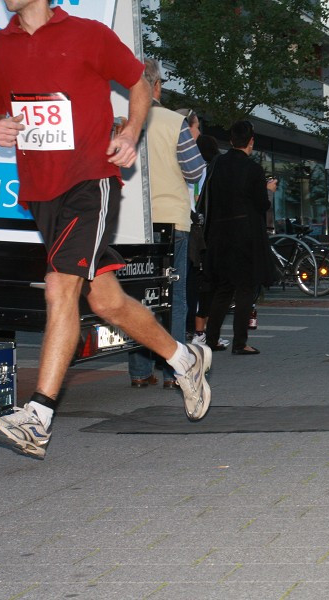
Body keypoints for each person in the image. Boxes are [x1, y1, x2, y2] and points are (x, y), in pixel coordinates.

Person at [0, 0, 212, 458]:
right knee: (105, 299)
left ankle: (37, 418)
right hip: (40, 192)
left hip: (90, 181)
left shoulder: (87, 34)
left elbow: (138, 84)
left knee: (59, 285)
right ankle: (186, 360)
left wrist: (129, 133)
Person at [128, 60, 206, 390]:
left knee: (136, 298)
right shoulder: (175, 122)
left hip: (132, 223)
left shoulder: (122, 121)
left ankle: (140, 371)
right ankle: (175, 372)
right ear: (157, 86)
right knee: (174, 298)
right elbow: (195, 171)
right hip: (172, 221)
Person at [202, 120, 274, 356]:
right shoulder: (253, 168)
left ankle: (210, 338)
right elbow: (261, 204)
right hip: (245, 233)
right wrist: (268, 190)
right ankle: (240, 342)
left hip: (220, 233)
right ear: (251, 141)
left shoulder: (217, 163)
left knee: (223, 287)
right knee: (244, 287)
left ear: (231, 140)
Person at [190, 134, 230, 350]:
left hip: (194, 228)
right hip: (205, 233)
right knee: (209, 284)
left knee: (199, 283)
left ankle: (198, 332)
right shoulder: (208, 170)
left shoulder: (197, 168)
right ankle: (201, 333)